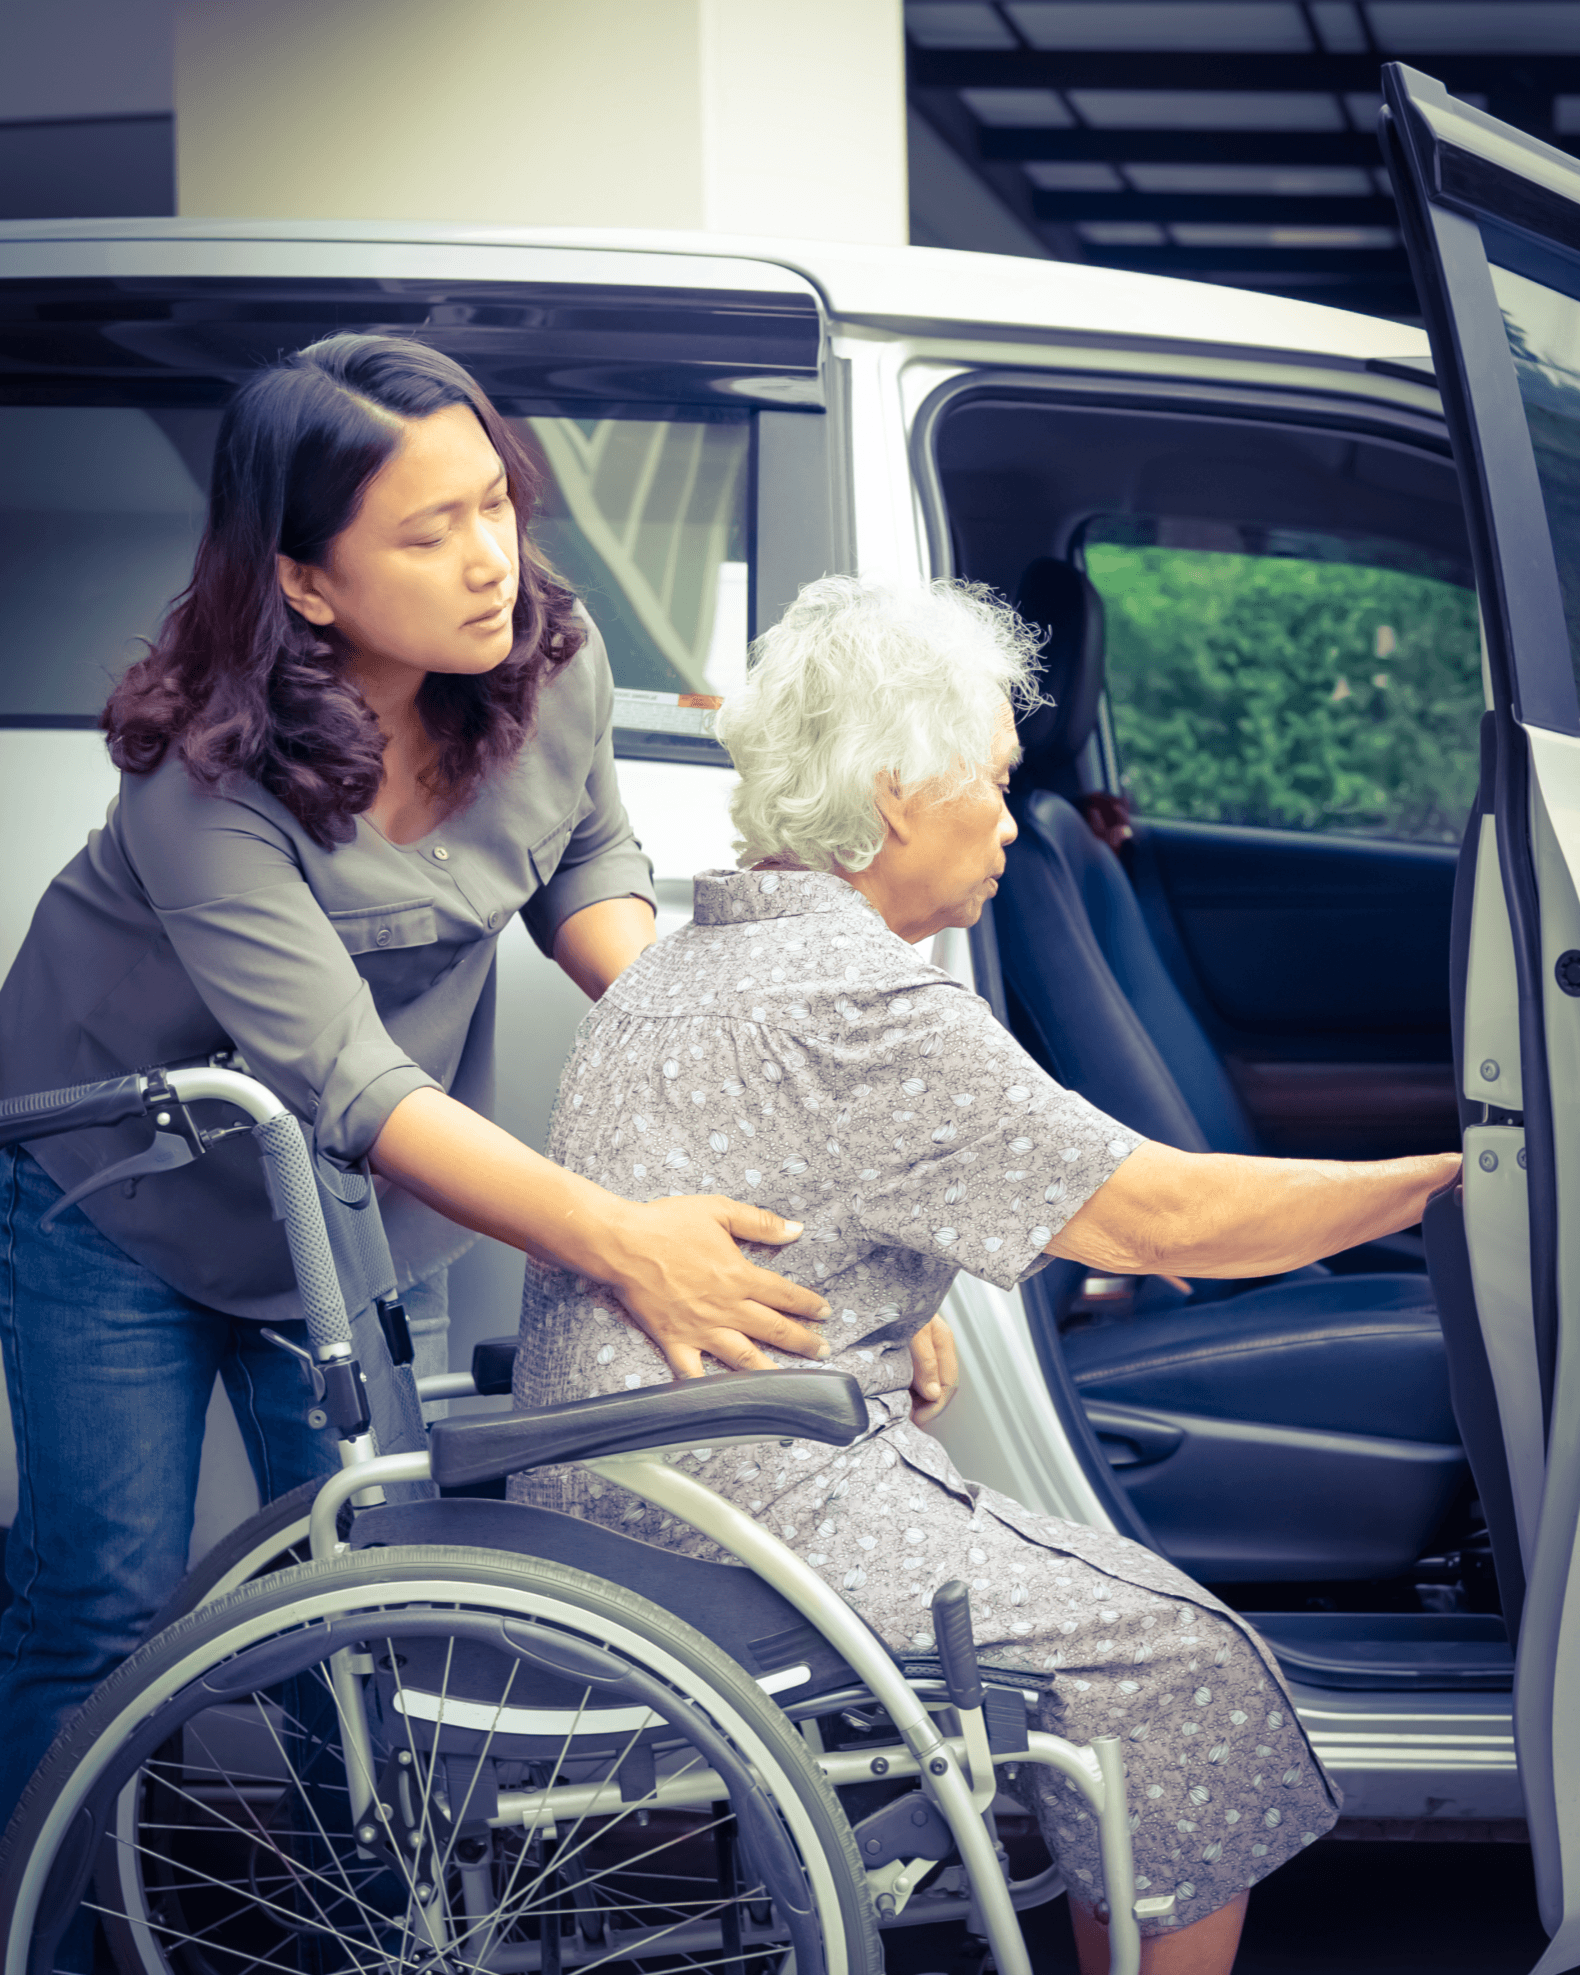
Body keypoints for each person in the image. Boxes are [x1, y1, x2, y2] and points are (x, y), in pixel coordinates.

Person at [510, 576, 1462, 1975]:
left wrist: (917, 1302)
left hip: (634, 1480)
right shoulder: (864, 997)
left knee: (1127, 1626)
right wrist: (1464, 1179)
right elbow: (1163, 1223)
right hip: (733, 1503)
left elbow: (822, 1176)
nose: (1014, 823)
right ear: (897, 791)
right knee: (1179, 1668)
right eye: (998, 784)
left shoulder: (704, 949)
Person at [0, 334, 833, 1831]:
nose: (487, 559)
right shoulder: (203, 769)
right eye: (426, 528)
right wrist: (625, 1237)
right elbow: (351, 1077)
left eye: (495, 504)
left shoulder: (549, 654)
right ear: (306, 580)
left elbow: (582, 860)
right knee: (102, 1606)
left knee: (370, 1601)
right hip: (118, 1199)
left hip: (362, 1213)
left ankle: (372, 1927)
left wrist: (701, 1066)